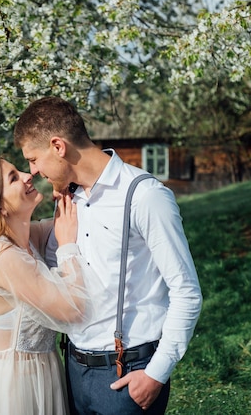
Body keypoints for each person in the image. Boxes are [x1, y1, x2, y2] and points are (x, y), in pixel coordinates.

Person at [13, 96, 203, 414]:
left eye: (34, 159)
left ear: (58, 147)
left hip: (127, 374)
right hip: (72, 370)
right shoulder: (67, 202)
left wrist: (157, 373)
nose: (32, 171)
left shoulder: (144, 196)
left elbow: (187, 292)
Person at [0, 156, 97, 415]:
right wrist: (67, 248)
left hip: (42, 373)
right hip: (16, 386)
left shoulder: (25, 240)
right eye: (14, 178)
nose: (27, 175)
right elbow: (73, 309)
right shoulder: (2, 256)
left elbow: (71, 221)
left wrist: (65, 187)